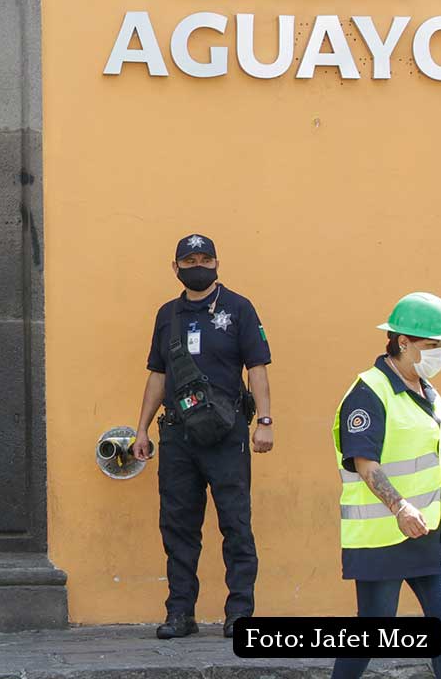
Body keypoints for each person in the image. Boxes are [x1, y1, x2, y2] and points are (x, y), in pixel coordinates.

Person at [130, 234, 274, 640]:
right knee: (177, 526)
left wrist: (265, 421)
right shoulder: (167, 315)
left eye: (205, 258)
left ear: (217, 263)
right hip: (177, 436)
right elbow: (158, 374)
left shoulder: (239, 308)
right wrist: (141, 427)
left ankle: (240, 613)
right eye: (189, 260)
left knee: (236, 524)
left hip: (227, 435)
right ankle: (180, 614)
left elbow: (257, 367)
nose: (198, 265)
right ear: (176, 267)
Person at [331, 293, 441, 678]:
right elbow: (364, 461)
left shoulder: (431, 398)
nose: (438, 353)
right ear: (402, 342)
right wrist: (400, 507)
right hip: (383, 535)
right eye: (431, 345)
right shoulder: (369, 391)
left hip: (434, 534)